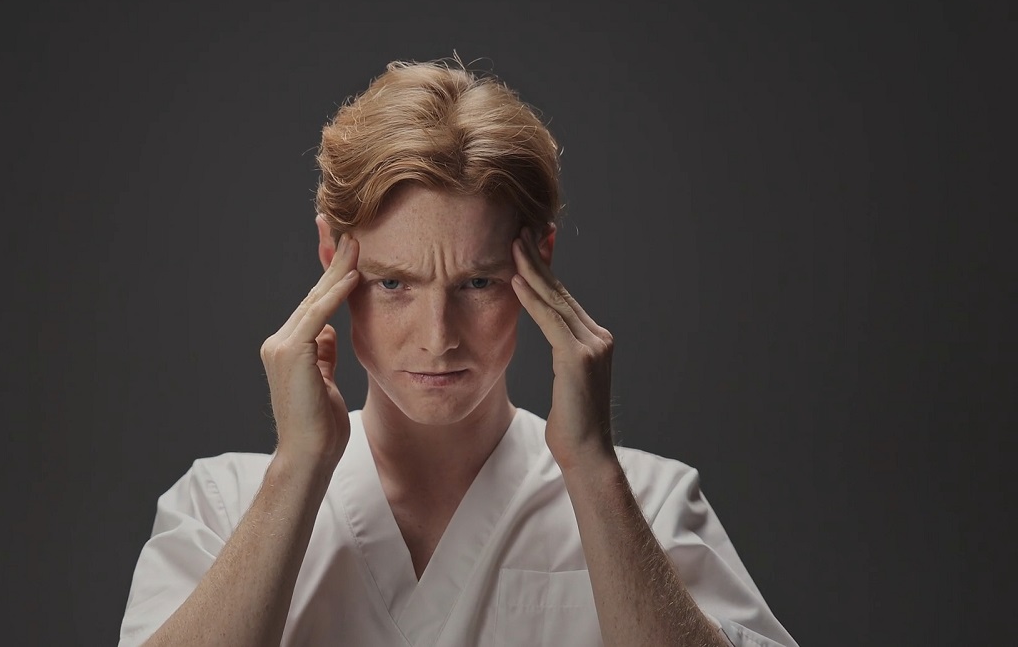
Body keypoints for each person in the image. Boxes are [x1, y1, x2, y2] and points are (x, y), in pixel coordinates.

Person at [117, 58, 797, 647]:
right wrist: (298, 468)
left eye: (476, 282)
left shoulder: (647, 501)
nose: (438, 334)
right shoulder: (221, 504)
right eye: (393, 283)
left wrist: (592, 469)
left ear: (539, 261)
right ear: (333, 260)